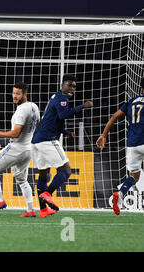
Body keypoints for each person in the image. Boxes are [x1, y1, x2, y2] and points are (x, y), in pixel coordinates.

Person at [31, 74, 93, 217]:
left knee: (43, 173)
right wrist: (83, 106)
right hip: (47, 140)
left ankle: (43, 209)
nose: (72, 88)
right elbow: (63, 115)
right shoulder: (62, 99)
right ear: (62, 85)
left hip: (37, 141)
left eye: (74, 86)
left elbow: (51, 119)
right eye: (70, 85)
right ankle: (47, 194)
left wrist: (65, 132)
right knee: (66, 170)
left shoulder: (55, 97)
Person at [0, 82, 40, 217]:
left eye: (18, 94)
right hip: (28, 149)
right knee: (22, 180)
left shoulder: (21, 110)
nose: (14, 96)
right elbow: (38, 125)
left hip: (16, 147)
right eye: (14, 93)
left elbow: (16, 133)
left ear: (25, 94)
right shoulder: (34, 107)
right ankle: (30, 209)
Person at [96, 77, 144, 215]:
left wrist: (104, 135)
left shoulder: (131, 101)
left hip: (133, 145)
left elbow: (114, 117)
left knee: (134, 176)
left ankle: (121, 194)